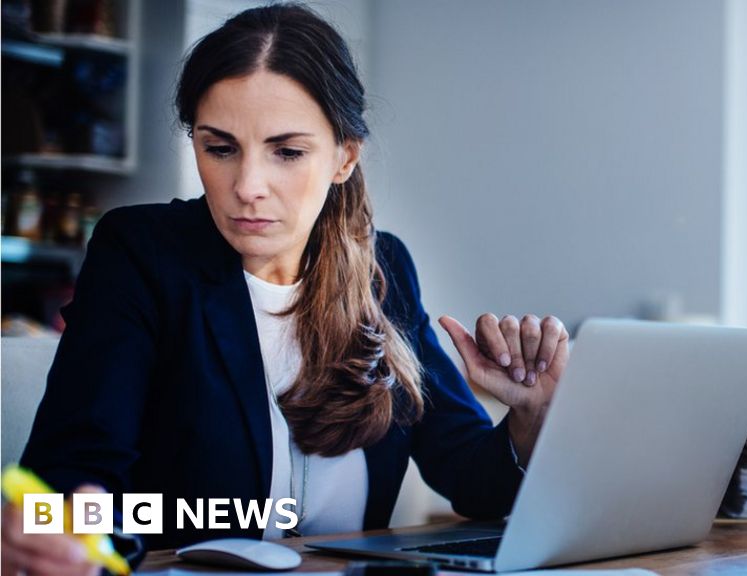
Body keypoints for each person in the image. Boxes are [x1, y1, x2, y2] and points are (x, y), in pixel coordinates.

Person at [0, 4, 569, 575]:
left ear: (344, 156)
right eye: (219, 148)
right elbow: (71, 487)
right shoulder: (143, 255)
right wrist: (81, 530)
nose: (247, 187)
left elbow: (474, 483)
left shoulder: (384, 269)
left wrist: (531, 419)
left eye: (287, 152)